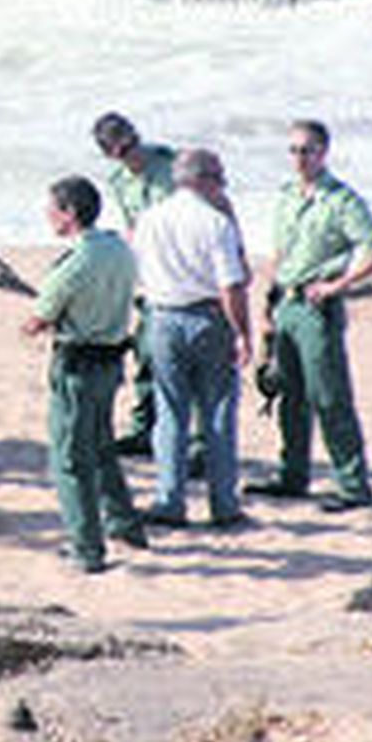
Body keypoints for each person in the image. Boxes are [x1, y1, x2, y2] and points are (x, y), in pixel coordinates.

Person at [246, 120, 372, 513]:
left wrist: (339, 284)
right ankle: (293, 475)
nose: (299, 158)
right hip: (286, 303)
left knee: (329, 396)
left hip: (317, 308)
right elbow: (278, 254)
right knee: (288, 395)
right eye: (293, 150)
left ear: (323, 153)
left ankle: (352, 484)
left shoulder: (341, 200)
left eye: (307, 150)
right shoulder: (287, 196)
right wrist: (266, 307)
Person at [22, 176, 147, 573]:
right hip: (111, 362)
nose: (47, 215)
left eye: (52, 208)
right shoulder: (119, 249)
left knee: (71, 458)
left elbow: (40, 317)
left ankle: (86, 548)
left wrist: (36, 324)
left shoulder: (75, 262)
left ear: (70, 213)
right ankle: (124, 524)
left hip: (78, 365)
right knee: (100, 445)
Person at [132, 149, 252, 528]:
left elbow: (140, 269)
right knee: (216, 413)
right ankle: (223, 503)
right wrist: (242, 332)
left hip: (162, 316)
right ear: (200, 180)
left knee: (170, 412)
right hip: (207, 317)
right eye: (218, 177)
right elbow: (232, 285)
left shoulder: (149, 219)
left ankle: (170, 499)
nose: (223, 185)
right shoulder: (215, 223)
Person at [92, 112, 176, 458]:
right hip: (148, 275)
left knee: (179, 363)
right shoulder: (118, 180)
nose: (130, 154)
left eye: (131, 144)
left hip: (177, 269)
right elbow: (132, 224)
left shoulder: (170, 166)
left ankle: (194, 443)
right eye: (120, 151)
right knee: (144, 355)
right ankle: (144, 430)